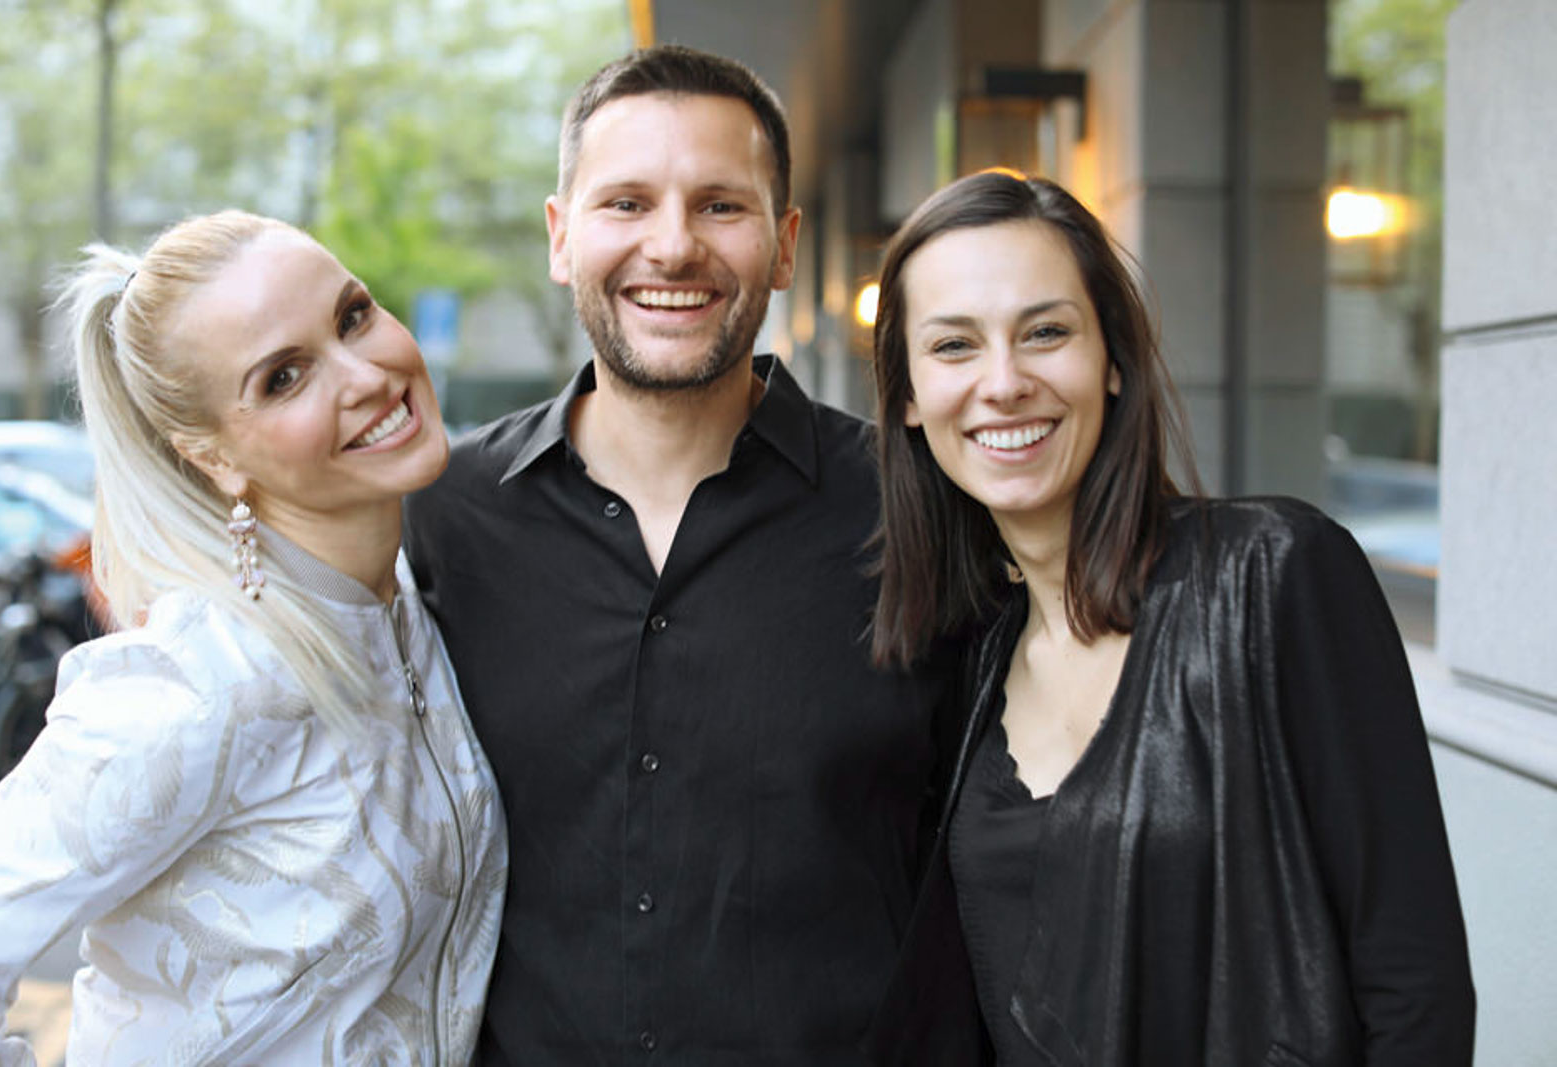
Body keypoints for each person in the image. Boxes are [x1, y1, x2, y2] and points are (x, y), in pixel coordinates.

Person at [403, 45, 961, 1065]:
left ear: (784, 245)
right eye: (626, 203)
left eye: (720, 205)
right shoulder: (441, 515)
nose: (671, 246)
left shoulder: (920, 505)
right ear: (560, 237)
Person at [864, 170, 1475, 1066]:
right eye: (954, 345)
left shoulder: (1273, 576)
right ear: (910, 398)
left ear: (1112, 359)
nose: (1004, 382)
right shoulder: (974, 660)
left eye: (1046, 332)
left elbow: (1416, 984)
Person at [0, 210, 508, 1065]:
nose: (366, 375)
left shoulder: (405, 606)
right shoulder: (196, 680)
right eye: (283, 377)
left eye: (353, 315)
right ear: (212, 456)